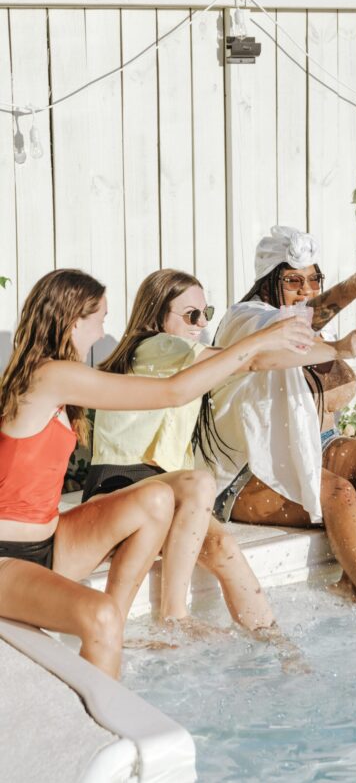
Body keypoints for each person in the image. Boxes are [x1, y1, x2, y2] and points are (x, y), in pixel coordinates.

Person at [0, 269, 313, 678]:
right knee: (99, 617)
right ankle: (111, 726)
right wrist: (260, 340)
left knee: (157, 498)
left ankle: (125, 626)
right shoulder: (50, 376)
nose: (101, 331)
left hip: (52, 541)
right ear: (75, 319)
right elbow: (173, 392)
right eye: (101, 319)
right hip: (7, 556)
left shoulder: (51, 376)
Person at [197, 225, 356, 624]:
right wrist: (342, 346)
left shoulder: (290, 316)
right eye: (293, 280)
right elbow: (276, 344)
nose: (305, 289)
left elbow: (305, 322)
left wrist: (353, 287)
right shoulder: (247, 319)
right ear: (268, 282)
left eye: (313, 279)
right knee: (338, 493)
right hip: (241, 475)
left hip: (305, 445)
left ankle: (350, 585)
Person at [83, 269, 303, 639]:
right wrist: (324, 344)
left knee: (223, 544)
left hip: (167, 488)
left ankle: (274, 645)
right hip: (120, 484)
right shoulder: (155, 346)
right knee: (201, 483)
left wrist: (341, 347)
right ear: (157, 315)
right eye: (190, 315)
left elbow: (251, 362)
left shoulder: (186, 356)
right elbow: (251, 360)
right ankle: (173, 615)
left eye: (206, 313)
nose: (201, 325)